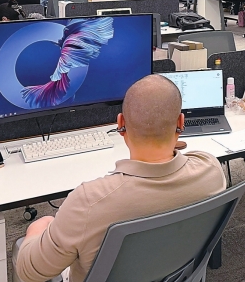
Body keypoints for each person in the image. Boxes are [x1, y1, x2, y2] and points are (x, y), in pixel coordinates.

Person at [16, 74, 226, 282]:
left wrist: (38, 227)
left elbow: (29, 272)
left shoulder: (87, 202)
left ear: (120, 123)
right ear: (181, 121)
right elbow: (184, 160)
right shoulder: (211, 171)